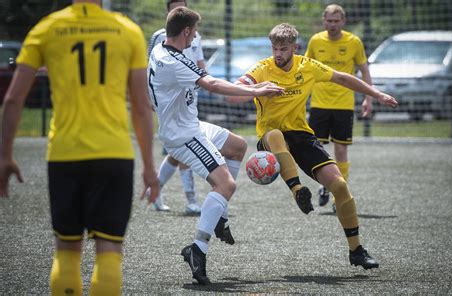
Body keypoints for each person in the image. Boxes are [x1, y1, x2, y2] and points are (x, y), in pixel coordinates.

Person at [0, 1, 160, 295]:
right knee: (110, 249)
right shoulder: (127, 30)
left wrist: (4, 155)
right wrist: (150, 167)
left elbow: (12, 99)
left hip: (65, 154)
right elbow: (141, 105)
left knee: (67, 249)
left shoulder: (47, 28)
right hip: (114, 154)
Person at [226, 23, 398, 270]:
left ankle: (356, 250)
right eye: (274, 48)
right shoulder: (262, 69)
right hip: (270, 139)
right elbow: (233, 95)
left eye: (283, 49)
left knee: (339, 186)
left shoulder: (307, 66)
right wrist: (259, 88)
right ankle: (298, 190)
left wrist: (376, 94)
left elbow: (343, 78)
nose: (278, 54)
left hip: (301, 135)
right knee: (275, 134)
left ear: (295, 48)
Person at [148, 7, 284, 284]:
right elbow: (211, 84)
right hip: (183, 134)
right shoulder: (175, 61)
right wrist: (256, 90)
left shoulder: (159, 49)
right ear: (186, 31)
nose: (196, 36)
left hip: (190, 125)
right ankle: (197, 249)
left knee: (236, 146)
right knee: (226, 185)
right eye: (194, 32)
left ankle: (219, 216)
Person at [305, 4, 373, 210]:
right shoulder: (316, 41)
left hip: (344, 104)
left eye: (337, 21)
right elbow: (305, 70)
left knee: (341, 149)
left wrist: (368, 98)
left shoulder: (353, 42)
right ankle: (326, 185)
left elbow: (364, 70)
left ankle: (339, 195)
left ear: (343, 22)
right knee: (316, 149)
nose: (333, 25)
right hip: (319, 103)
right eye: (329, 21)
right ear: (324, 21)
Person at [147, 0, 205, 214]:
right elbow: (149, 68)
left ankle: (156, 190)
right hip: (170, 102)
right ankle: (191, 200)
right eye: (175, 8)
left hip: (190, 98)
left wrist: (205, 83)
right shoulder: (159, 37)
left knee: (177, 153)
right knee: (183, 148)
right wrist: (150, 99)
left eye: (183, 7)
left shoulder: (195, 35)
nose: (179, 12)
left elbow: (200, 65)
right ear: (168, 13)